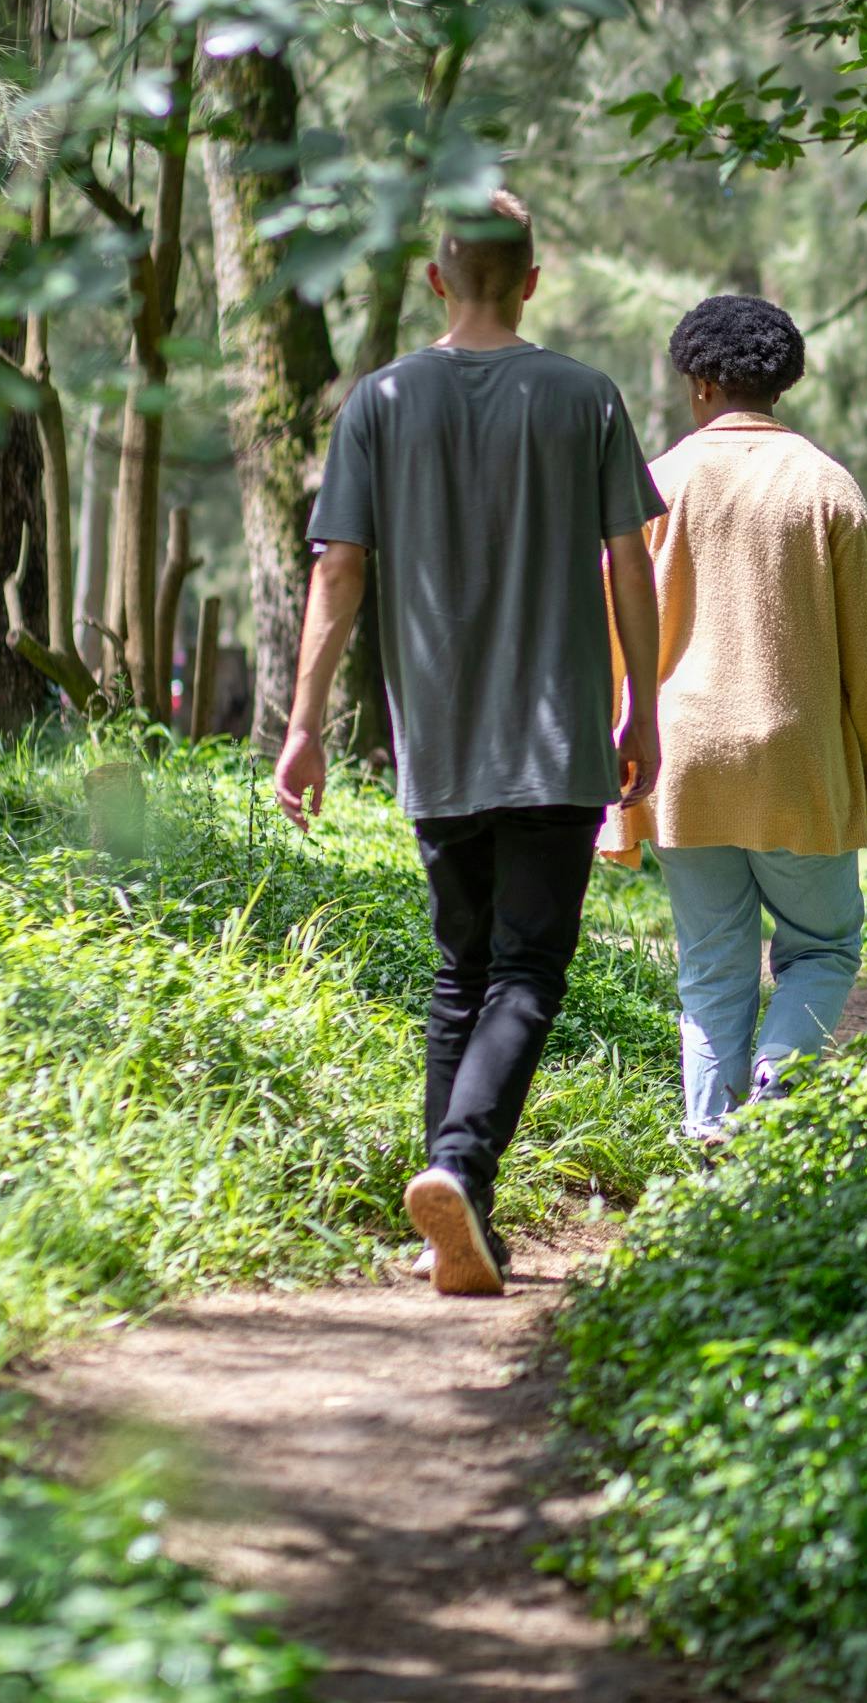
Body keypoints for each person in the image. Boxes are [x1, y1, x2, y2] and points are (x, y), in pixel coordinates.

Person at [276, 191, 662, 1296]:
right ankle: (456, 1164)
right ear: (531, 279)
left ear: (439, 278)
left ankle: (461, 1219)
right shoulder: (585, 397)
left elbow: (336, 570)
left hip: (438, 742)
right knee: (529, 967)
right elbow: (627, 562)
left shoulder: (380, 400)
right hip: (555, 739)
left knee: (463, 971)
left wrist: (302, 726)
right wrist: (646, 707)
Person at [601, 294, 867, 1142]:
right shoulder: (827, 488)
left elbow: (614, 653)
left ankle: (709, 1136)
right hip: (798, 770)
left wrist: (615, 797)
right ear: (784, 382)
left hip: (681, 765)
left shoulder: (653, 484)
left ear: (698, 384)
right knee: (824, 950)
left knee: (710, 966)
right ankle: (780, 1070)